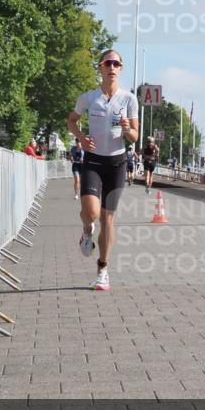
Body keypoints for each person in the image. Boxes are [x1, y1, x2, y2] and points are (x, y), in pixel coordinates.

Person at [67, 49, 139, 291]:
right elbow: (71, 120)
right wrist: (81, 139)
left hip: (117, 163)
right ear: (100, 67)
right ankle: (87, 232)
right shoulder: (89, 98)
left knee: (108, 218)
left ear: (121, 68)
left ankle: (102, 270)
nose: (112, 67)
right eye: (108, 63)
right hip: (94, 161)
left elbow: (135, 136)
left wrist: (128, 129)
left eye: (116, 63)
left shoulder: (129, 99)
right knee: (91, 213)